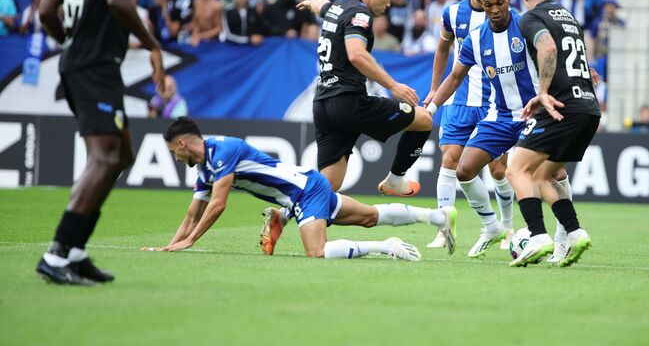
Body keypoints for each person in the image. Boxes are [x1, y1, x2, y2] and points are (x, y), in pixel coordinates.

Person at [35, 0, 165, 285]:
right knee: (105, 158)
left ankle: (75, 251)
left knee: (121, 155)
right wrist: (151, 43)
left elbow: (46, 10)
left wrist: (69, 41)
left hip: (79, 61)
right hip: (96, 64)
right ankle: (57, 253)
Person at [147, 117, 456, 259]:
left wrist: (191, 242)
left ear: (182, 143)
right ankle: (438, 217)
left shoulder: (223, 151)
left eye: (174, 151)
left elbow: (217, 204)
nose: (176, 157)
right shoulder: (204, 168)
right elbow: (192, 214)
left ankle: (386, 246)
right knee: (369, 216)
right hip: (307, 186)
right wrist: (172, 245)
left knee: (316, 252)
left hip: (304, 192)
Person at [426, 0, 541, 257]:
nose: (495, 9)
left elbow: (552, 53)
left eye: (499, 2)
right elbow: (455, 77)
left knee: (550, 174)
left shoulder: (526, 25)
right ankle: (491, 227)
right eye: (489, 5)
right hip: (500, 115)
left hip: (534, 113)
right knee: (463, 170)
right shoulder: (476, 38)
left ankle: (564, 235)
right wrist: (431, 108)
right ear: (482, 3)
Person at [295, 0, 434, 195]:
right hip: (349, 102)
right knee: (424, 120)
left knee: (328, 186)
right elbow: (356, 55)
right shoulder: (360, 14)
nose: (388, 3)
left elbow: (322, 6)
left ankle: (285, 211)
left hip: (323, 104)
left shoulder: (338, 6)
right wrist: (394, 86)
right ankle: (395, 180)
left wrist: (311, 2)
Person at [508, 0, 600, 267]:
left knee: (516, 170)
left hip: (562, 107)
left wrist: (543, 92)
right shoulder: (570, 19)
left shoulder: (530, 18)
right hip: (588, 108)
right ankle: (574, 232)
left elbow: (547, 46)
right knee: (543, 175)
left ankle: (537, 236)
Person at [422, 0, 514, 250]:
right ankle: (444, 230)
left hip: (495, 103)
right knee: (450, 160)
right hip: (459, 100)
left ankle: (507, 227)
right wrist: (434, 88)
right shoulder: (453, 13)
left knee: (498, 170)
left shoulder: (505, 14)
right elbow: (442, 49)